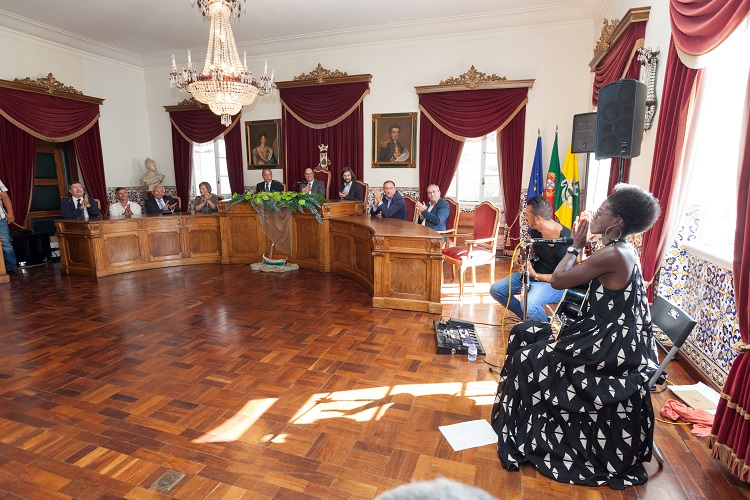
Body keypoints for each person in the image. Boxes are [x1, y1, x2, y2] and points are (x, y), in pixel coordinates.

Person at [491, 183, 662, 490]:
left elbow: (559, 281)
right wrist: (580, 248)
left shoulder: (615, 254)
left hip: (611, 347)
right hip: (605, 334)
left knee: (526, 358)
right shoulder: (616, 250)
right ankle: (521, 419)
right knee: (522, 332)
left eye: (602, 211)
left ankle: (537, 431)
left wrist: (575, 244)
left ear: (617, 222)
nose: (594, 214)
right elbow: (578, 279)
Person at [489, 195, 569, 322]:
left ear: (538, 218)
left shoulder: (566, 240)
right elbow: (531, 246)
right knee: (496, 290)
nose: (525, 217)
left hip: (552, 283)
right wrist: (522, 255)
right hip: (532, 275)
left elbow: (561, 278)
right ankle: (530, 322)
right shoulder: (537, 228)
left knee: (529, 306)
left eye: (527, 214)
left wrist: (535, 275)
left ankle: (544, 330)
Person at [0, 177, 18, 271]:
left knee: (6, 242)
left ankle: (11, 266)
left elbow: (5, 196)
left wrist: (10, 212)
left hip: (0, 218)